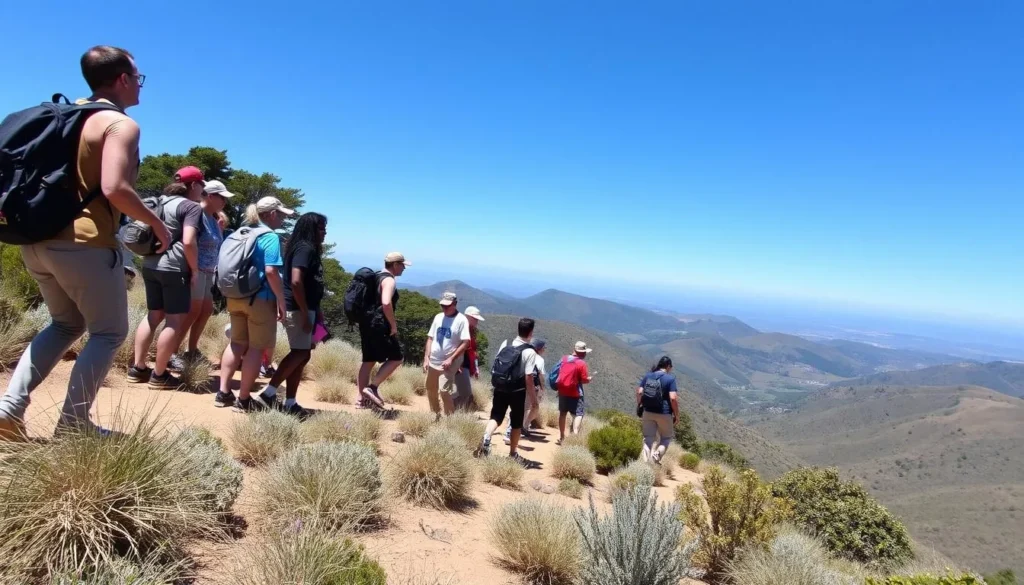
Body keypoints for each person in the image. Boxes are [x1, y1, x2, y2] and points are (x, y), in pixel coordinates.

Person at [0, 46, 171, 439]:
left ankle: (10, 408)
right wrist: (156, 224)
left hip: (36, 238)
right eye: (138, 78)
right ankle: (74, 425)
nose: (140, 86)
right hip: (86, 243)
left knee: (64, 324)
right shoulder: (119, 125)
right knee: (109, 332)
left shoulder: (63, 116)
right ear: (124, 79)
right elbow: (115, 188)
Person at [213, 197, 293, 412]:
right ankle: (244, 399)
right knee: (256, 348)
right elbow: (271, 271)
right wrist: (281, 301)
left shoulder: (240, 232)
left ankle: (223, 392)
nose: (284, 218)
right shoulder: (270, 237)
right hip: (260, 298)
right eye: (282, 214)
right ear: (272, 214)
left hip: (234, 296)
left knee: (236, 343)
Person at [127, 167, 204, 388]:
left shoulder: (158, 201)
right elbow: (189, 241)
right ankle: (159, 375)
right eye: (202, 185)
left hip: (150, 264)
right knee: (174, 320)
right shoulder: (190, 207)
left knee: (152, 316)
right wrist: (195, 270)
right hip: (175, 268)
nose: (202, 190)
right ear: (193, 185)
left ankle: (138, 368)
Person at [258, 212, 327, 418]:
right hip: (298, 309)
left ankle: (290, 402)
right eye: (321, 228)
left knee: (302, 354)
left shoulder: (303, 248)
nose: (324, 232)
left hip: (305, 308)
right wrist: (306, 313)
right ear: (311, 229)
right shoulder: (305, 249)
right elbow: (296, 281)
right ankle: (268, 395)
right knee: (300, 353)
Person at [475, 317, 538, 467]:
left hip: (500, 387)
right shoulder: (530, 352)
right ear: (531, 332)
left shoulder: (505, 344)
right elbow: (529, 376)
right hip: (517, 390)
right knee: (516, 422)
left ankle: (487, 437)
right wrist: (533, 398)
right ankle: (512, 453)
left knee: (496, 415)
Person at [357, 252, 409, 409]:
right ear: (395, 265)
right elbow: (386, 303)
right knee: (397, 358)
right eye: (402, 265)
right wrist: (393, 325)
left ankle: (361, 401)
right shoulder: (389, 280)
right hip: (380, 325)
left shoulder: (376, 276)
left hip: (367, 323)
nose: (404, 268)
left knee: (368, 361)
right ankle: (371, 388)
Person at [422, 292, 471, 419]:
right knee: (430, 388)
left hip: (450, 361)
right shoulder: (438, 317)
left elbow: (466, 342)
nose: (444, 308)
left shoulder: (461, 320)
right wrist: (426, 358)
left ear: (455, 304)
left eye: (447, 306)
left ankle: (450, 419)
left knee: (444, 390)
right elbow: (430, 338)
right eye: (443, 306)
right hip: (433, 359)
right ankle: (436, 415)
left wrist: (451, 358)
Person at [637, 356, 679, 464]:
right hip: (664, 413)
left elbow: (640, 392)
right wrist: (676, 415)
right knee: (665, 438)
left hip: (648, 411)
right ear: (668, 366)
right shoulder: (670, 379)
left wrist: (640, 405)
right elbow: (673, 398)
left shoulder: (648, 376)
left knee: (648, 439)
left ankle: (644, 464)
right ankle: (657, 455)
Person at [504, 338, 545, 444]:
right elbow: (539, 375)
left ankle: (512, 430)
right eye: (544, 348)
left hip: (515, 383)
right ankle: (515, 431)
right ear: (539, 349)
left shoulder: (521, 352)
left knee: (515, 407)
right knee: (525, 408)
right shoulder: (539, 359)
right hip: (529, 386)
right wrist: (542, 388)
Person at [555, 341, 594, 445]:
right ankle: (574, 434)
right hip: (576, 393)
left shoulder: (564, 359)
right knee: (579, 414)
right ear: (582, 353)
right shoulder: (581, 363)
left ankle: (562, 437)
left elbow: (558, 373)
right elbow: (584, 379)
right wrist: (589, 379)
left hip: (562, 391)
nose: (585, 354)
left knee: (562, 414)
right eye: (585, 352)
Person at [452, 305, 484, 410]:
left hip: (465, 365)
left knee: (462, 391)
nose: (477, 321)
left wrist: (475, 367)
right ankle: (455, 413)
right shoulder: (460, 328)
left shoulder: (471, 330)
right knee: (464, 392)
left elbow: (473, 351)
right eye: (475, 319)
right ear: (467, 317)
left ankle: (455, 412)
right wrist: (457, 364)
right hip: (459, 365)